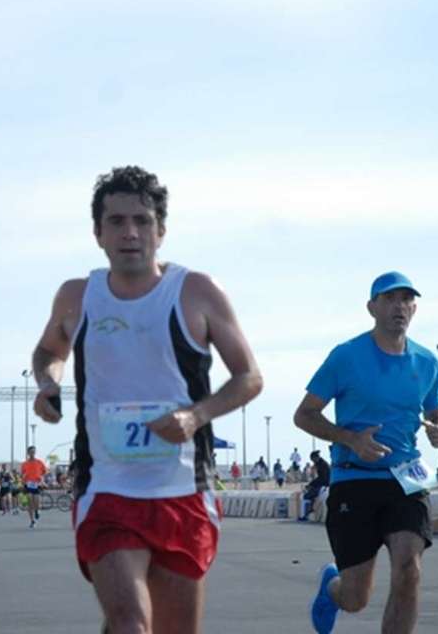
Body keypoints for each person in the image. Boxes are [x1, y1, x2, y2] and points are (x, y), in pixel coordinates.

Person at [30, 166, 263, 634]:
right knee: (131, 623)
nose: (130, 233)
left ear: (161, 230)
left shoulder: (196, 292)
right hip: (106, 488)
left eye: (142, 220)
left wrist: (196, 416)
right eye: (116, 221)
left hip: (182, 489)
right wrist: (48, 383)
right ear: (98, 233)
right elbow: (49, 351)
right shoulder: (77, 296)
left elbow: (249, 377)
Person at [293, 272, 438, 634]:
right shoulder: (347, 356)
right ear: (371, 307)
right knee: (355, 597)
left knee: (409, 569)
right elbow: (304, 415)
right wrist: (350, 439)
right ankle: (332, 588)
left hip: (406, 480)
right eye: (390, 299)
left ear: (414, 309)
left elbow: (436, 412)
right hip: (354, 479)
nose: (400, 306)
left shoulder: (427, 362)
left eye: (407, 299)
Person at [298, 451, 330, 521]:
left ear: (315, 458)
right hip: (323, 484)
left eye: (312, 460)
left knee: (306, 496)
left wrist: (311, 484)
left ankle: (305, 515)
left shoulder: (322, 465)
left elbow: (322, 478)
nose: (312, 461)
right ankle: (311, 509)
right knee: (311, 494)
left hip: (324, 485)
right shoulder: (321, 463)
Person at [20, 447, 47, 529]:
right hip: (28, 484)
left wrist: (41, 479)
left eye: (33, 452)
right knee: (30, 501)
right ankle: (32, 521)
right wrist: (23, 480)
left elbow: (44, 472)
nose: (32, 453)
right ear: (28, 453)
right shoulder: (24, 464)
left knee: (36, 500)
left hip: (37, 484)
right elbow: (22, 474)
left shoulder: (39, 462)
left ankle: (37, 511)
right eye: (31, 452)